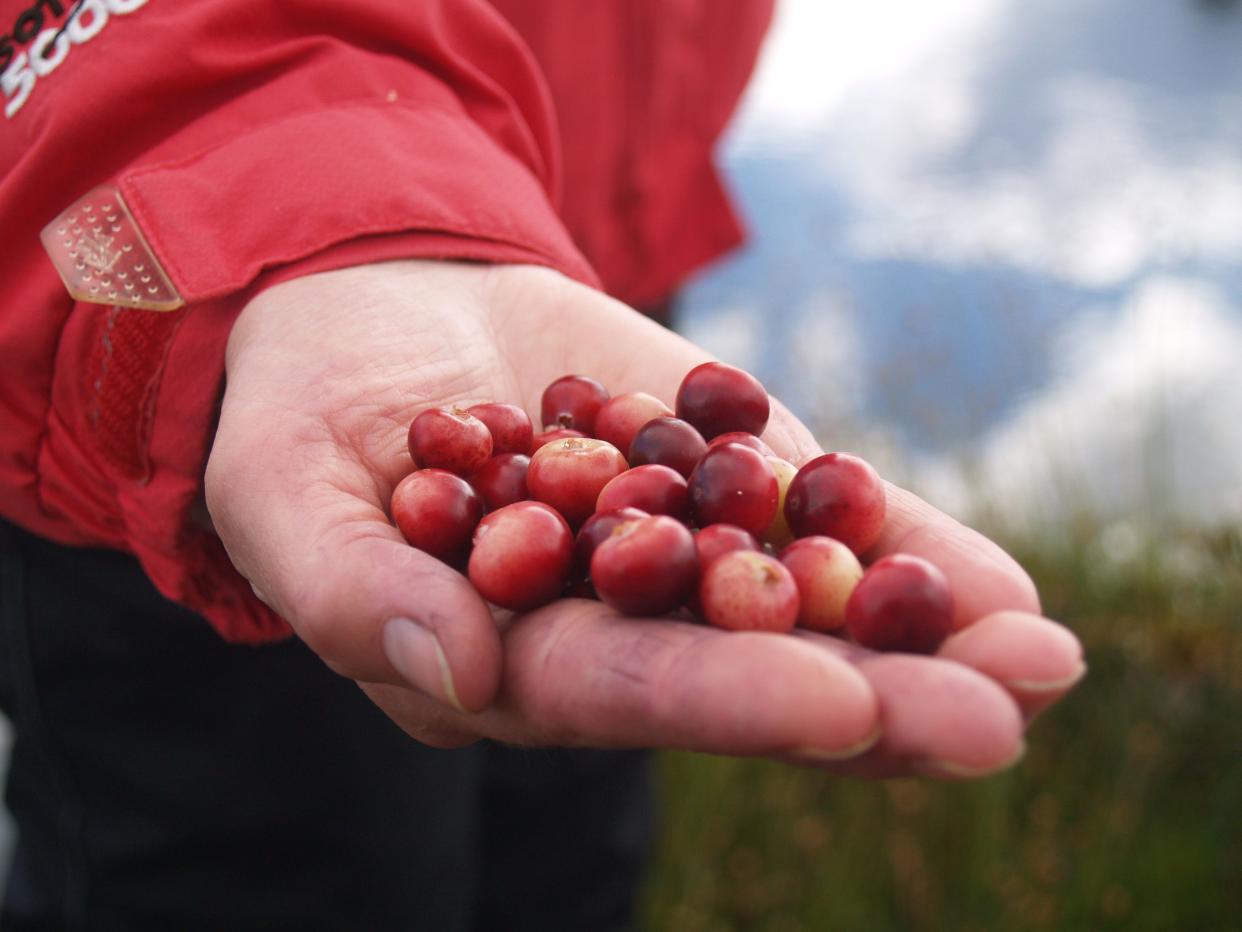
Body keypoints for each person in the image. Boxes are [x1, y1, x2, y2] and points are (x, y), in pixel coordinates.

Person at [0, 1, 1086, 929]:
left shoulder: (615, 434)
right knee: (267, 873)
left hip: (581, 257)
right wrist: (284, 177)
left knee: (570, 848)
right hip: (197, 338)